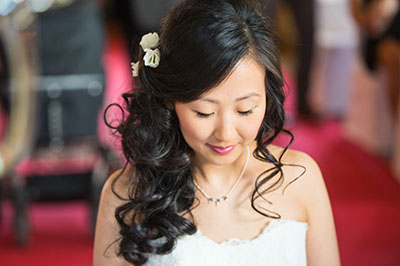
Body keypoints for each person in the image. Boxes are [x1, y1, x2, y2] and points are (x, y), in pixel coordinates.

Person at [93, 0, 341, 265]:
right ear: (170, 100)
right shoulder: (128, 193)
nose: (225, 133)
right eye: (204, 113)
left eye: (245, 110)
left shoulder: (301, 178)